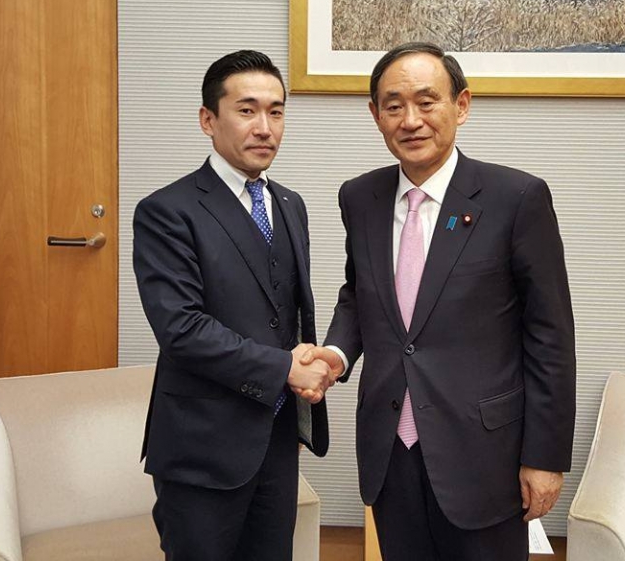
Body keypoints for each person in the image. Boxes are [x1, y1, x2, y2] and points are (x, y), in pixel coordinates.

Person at [304, 41, 576, 560]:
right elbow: (361, 294)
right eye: (394, 106)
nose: (411, 120)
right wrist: (336, 354)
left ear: (461, 105)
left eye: (427, 102)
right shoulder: (360, 197)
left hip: (485, 453)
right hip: (391, 446)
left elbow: (551, 338)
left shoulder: (516, 198)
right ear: (375, 115)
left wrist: (545, 457)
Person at [133, 50, 332, 561]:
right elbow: (182, 329)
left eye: (276, 111)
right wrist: (285, 368)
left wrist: (309, 363)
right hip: (202, 446)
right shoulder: (167, 211)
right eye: (247, 110)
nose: (265, 127)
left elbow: (284, 313)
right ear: (208, 120)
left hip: (277, 438)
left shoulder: (289, 204)